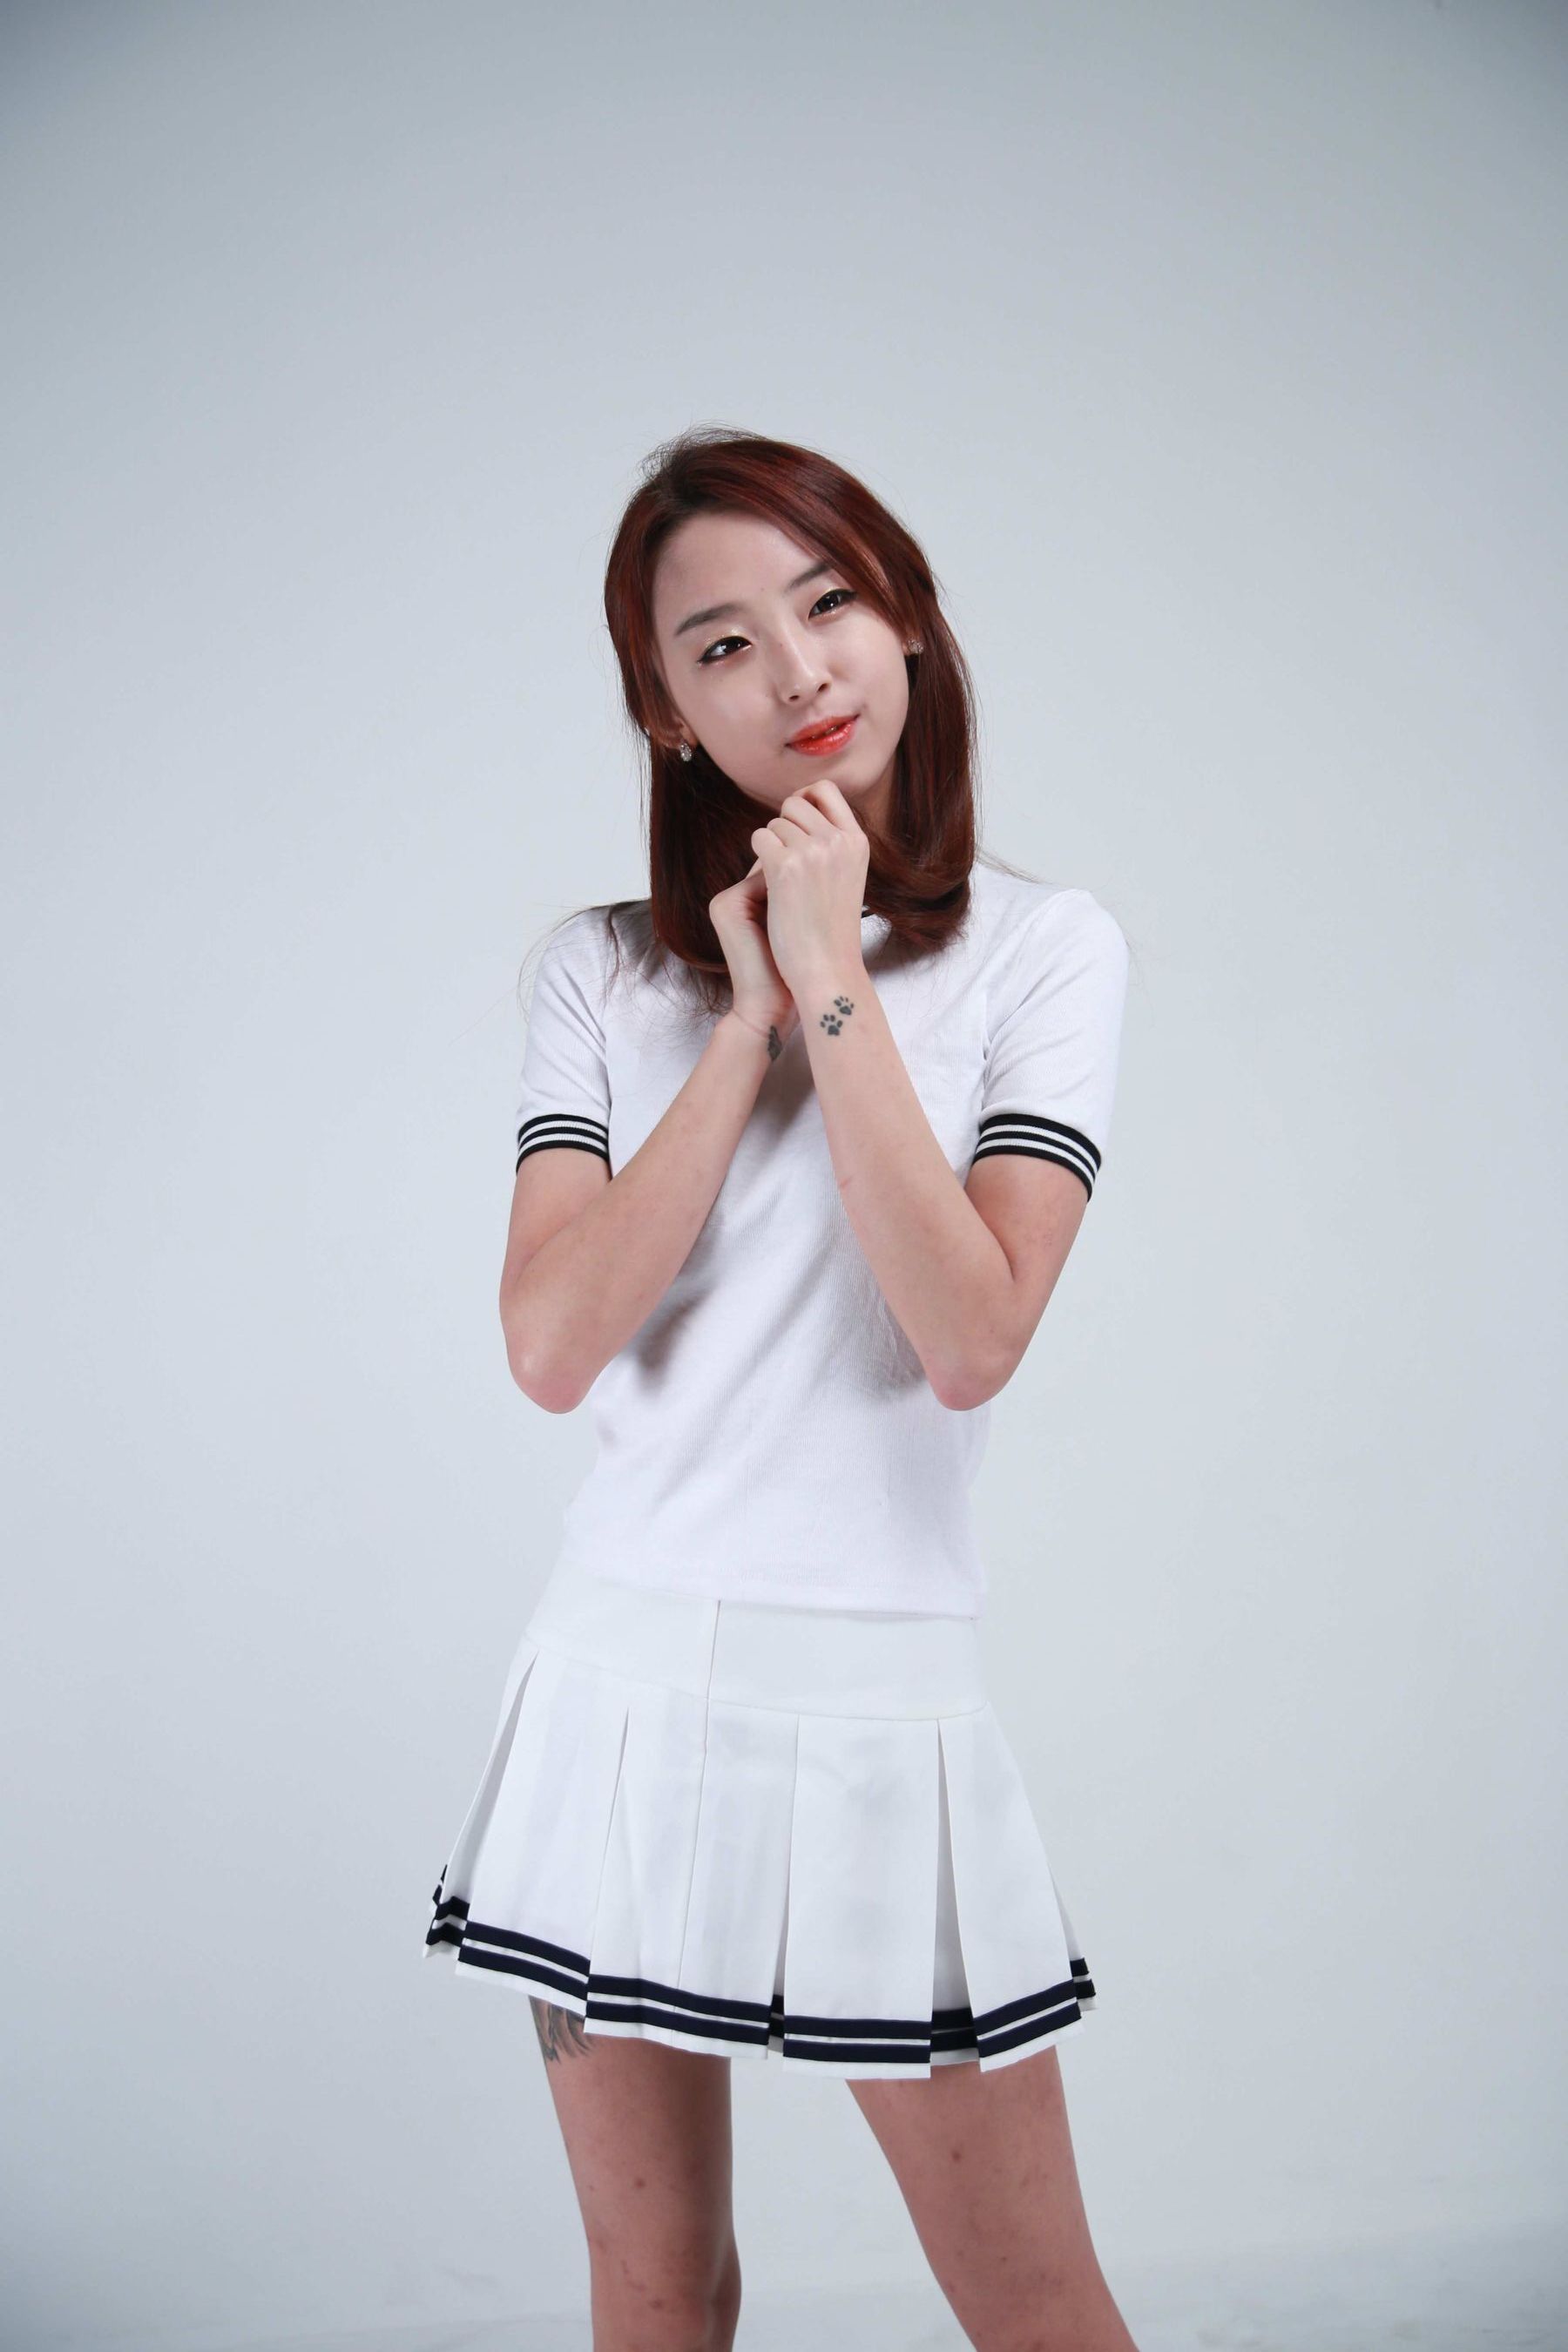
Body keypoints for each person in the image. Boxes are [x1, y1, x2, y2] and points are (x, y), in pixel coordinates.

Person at [424, 426, 1140, 2352]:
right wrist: (744, 1017)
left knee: (1035, 2301)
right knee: (658, 2288)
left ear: (905, 617)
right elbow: (551, 1347)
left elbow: (968, 1338)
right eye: (723, 642)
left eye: (830, 602)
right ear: (667, 710)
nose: (799, 668)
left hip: (872, 1706)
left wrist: (834, 975)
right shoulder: (600, 976)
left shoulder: (1045, 953)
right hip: (611, 1699)